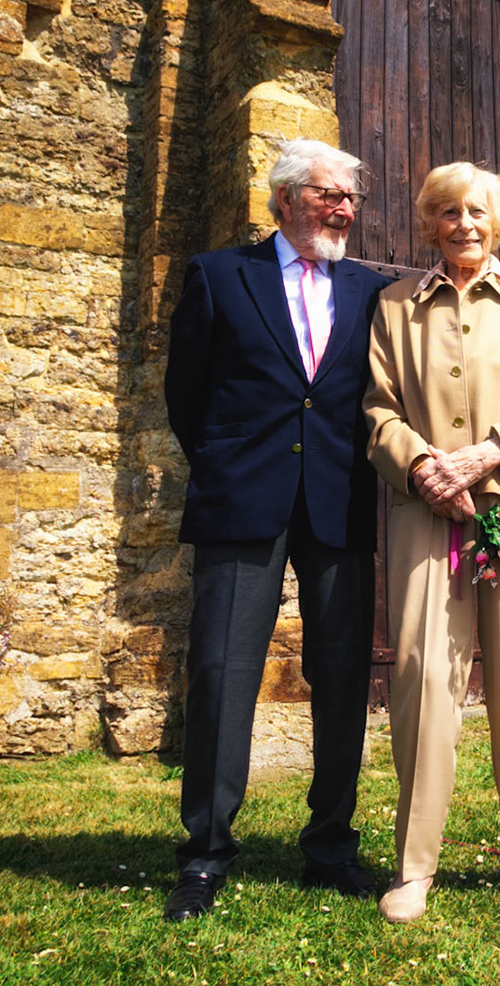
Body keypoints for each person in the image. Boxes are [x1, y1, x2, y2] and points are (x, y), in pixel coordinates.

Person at [161, 139, 393, 921]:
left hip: (339, 502)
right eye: (330, 195)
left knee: (342, 680)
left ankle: (330, 847)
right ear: (287, 197)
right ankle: (204, 855)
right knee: (223, 675)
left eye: (352, 199)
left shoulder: (372, 291)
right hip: (242, 501)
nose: (345, 210)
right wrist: (229, 466)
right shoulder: (220, 275)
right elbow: (185, 392)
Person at [363, 162, 500, 924]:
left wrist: (487, 453)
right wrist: (423, 464)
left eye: (477, 211)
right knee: (425, 673)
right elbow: (378, 411)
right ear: (429, 223)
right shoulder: (393, 307)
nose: (463, 223)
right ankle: (414, 867)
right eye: (447, 211)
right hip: (425, 512)